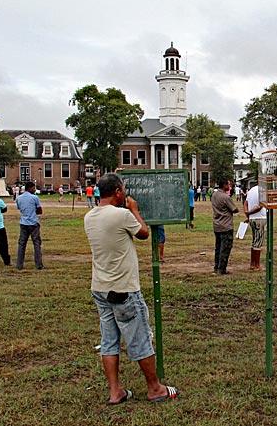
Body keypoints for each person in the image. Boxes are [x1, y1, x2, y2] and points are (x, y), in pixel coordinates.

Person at [84, 173, 178, 404]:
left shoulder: (90, 216)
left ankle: (115, 391)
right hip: (123, 289)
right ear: (117, 192)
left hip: (100, 287)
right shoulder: (122, 215)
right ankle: (155, 388)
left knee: (109, 340)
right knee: (139, 338)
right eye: (123, 189)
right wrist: (135, 210)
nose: (126, 193)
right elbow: (144, 233)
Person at [211, 178, 239, 274]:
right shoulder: (225, 197)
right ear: (224, 185)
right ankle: (222, 269)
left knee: (218, 248)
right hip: (226, 226)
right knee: (225, 248)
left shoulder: (214, 195)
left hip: (217, 225)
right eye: (229, 185)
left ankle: (216, 267)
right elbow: (235, 209)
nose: (230, 187)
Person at [16, 182, 45, 270]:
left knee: (22, 244)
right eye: (33, 188)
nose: (34, 190)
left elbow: (20, 209)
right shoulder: (34, 197)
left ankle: (19, 265)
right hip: (33, 223)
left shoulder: (19, 198)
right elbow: (40, 210)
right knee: (36, 243)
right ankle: (38, 265)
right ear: (29, 188)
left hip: (23, 223)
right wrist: (34, 211)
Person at [243, 184, 266, 270]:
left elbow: (246, 203)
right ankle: (256, 265)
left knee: (254, 241)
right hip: (260, 218)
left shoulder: (252, 190)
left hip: (252, 219)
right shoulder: (262, 190)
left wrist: (247, 213)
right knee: (258, 242)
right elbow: (260, 206)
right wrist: (250, 213)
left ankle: (252, 263)